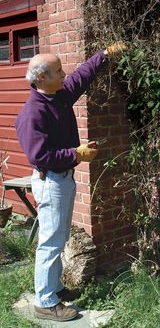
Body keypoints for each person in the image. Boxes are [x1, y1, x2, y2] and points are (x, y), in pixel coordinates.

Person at [15, 42, 126, 322]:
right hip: (50, 181)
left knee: (59, 237)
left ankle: (54, 288)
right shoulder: (33, 113)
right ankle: (45, 301)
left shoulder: (58, 96)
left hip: (62, 179)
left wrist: (102, 56)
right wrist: (76, 154)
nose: (64, 74)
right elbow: (40, 155)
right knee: (51, 243)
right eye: (57, 71)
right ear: (41, 78)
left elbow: (80, 76)